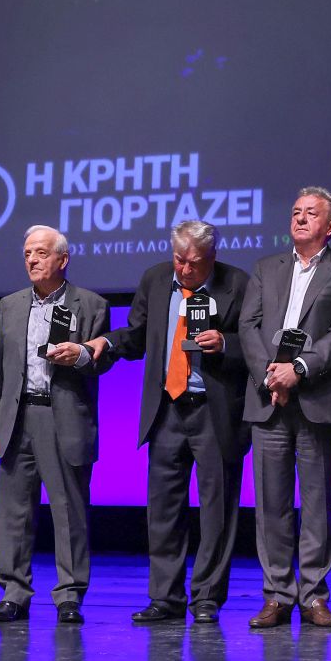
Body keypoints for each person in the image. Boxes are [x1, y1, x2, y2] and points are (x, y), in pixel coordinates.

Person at [88, 220, 250, 625]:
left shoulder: (239, 283)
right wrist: (106, 342)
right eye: (179, 260)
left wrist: (225, 344)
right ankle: (165, 597)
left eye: (195, 263)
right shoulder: (156, 279)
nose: (185, 269)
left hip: (214, 410)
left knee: (217, 511)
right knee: (163, 509)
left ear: (212, 257)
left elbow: (255, 345)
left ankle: (207, 597)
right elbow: (137, 335)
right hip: (167, 409)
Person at [239, 187, 331, 629]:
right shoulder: (265, 268)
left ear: (330, 226)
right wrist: (270, 377)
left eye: (310, 213)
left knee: (316, 504)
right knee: (270, 504)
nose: (300, 218)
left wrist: (297, 370)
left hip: (318, 399)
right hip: (268, 400)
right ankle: (277, 594)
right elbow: (248, 326)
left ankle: (313, 595)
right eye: (296, 211)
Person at [0, 226, 110, 625]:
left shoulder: (91, 304)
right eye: (27, 253)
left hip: (62, 416)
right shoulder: (11, 305)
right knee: (13, 513)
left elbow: (101, 362)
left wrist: (81, 355)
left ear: (62, 259)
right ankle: (13, 593)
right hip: (17, 417)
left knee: (69, 512)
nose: (32, 260)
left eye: (40, 253)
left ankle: (69, 594)